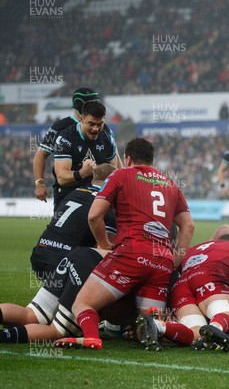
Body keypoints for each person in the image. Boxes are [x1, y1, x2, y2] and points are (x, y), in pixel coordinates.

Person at [54, 138, 195, 350]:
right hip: (161, 263)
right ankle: (183, 333)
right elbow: (188, 226)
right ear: (151, 159)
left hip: (131, 254)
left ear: (128, 158)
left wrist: (104, 243)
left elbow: (94, 215)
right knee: (145, 329)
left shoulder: (120, 174)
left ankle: (92, 337)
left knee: (82, 303)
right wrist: (174, 259)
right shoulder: (170, 184)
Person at [29, 163, 117, 319]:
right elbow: (104, 248)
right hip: (62, 263)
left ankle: (54, 305)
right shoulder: (105, 206)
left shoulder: (75, 192)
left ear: (93, 179)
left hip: (39, 253)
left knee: (34, 314)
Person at [0, 247, 136, 344]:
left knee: (32, 314)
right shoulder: (152, 286)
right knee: (57, 331)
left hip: (80, 254)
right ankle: (3, 336)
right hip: (92, 269)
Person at [136, 234, 229, 352]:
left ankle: (159, 326)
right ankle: (215, 328)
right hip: (209, 275)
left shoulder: (193, 249)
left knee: (196, 332)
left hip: (181, 284)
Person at [33, 88, 121, 208]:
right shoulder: (60, 127)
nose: (96, 128)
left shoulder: (104, 130)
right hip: (68, 191)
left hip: (96, 192)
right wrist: (40, 183)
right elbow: (41, 153)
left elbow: (114, 158)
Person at [51, 101, 120, 211]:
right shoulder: (66, 138)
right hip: (68, 196)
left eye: (100, 124)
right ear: (81, 120)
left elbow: (112, 174)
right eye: (91, 124)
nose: (96, 129)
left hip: (96, 198)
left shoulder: (107, 138)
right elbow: (61, 178)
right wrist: (82, 173)